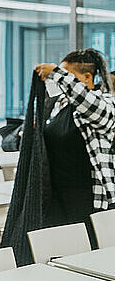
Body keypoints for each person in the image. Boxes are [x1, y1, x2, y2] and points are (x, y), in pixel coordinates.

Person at [35, 48, 115, 248]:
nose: (60, 81)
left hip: (89, 198)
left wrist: (55, 72)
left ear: (87, 77)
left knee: (89, 254)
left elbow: (89, 103)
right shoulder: (59, 105)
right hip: (56, 196)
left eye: (66, 75)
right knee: (61, 253)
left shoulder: (105, 103)